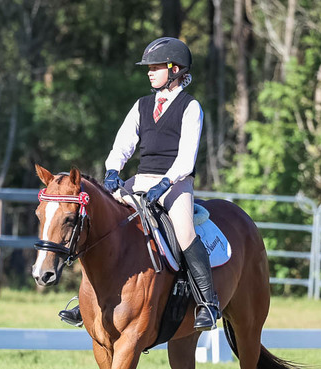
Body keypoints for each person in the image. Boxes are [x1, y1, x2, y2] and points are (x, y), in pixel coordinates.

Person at [59, 36, 220, 331]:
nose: (149, 72)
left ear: (175, 70)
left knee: (184, 233)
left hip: (176, 183)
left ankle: (208, 303)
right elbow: (122, 145)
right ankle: (86, 301)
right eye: (149, 67)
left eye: (155, 67)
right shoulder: (142, 105)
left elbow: (187, 158)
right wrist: (112, 170)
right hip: (141, 179)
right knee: (103, 223)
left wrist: (166, 183)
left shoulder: (190, 107)